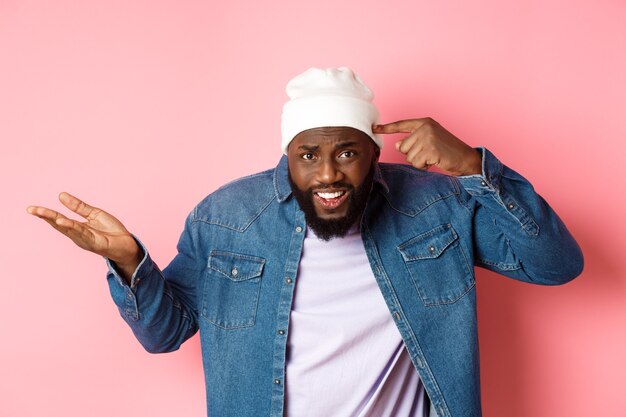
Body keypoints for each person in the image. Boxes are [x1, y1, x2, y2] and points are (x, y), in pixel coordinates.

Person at [27, 67, 584, 417]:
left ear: (373, 151)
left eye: (346, 152)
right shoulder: (227, 218)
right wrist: (130, 265)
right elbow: (164, 333)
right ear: (287, 155)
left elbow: (557, 264)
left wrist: (473, 168)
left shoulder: (437, 205)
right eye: (308, 155)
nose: (327, 175)